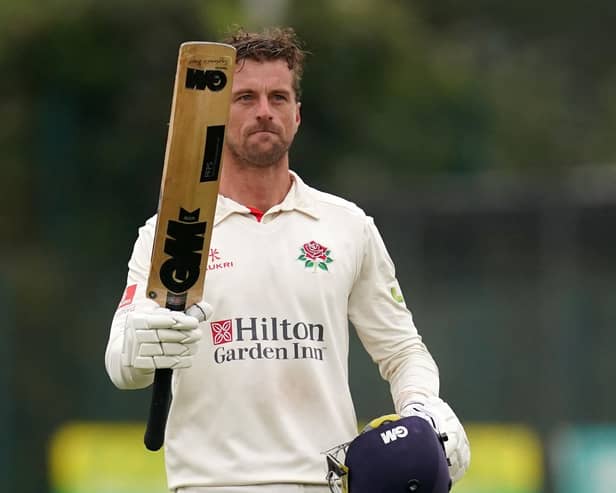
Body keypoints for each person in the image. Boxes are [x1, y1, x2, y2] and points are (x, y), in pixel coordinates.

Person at [105, 26, 470, 493]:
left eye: (278, 97)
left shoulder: (347, 226)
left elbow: (403, 351)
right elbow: (121, 362)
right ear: (216, 114)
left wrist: (421, 410)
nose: (263, 111)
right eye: (245, 98)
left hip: (323, 484)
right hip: (209, 484)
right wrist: (140, 346)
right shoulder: (171, 231)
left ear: (297, 116)